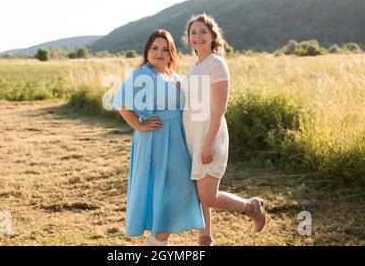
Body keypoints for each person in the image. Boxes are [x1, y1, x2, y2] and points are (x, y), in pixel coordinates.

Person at [111, 29, 204, 246]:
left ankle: (156, 241)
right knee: (168, 188)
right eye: (155, 48)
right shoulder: (144, 74)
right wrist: (139, 125)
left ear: (171, 53)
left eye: (165, 49)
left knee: (176, 189)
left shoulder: (172, 76)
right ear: (147, 50)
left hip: (176, 138)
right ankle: (157, 242)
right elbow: (120, 103)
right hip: (156, 138)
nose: (159, 53)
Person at [181, 13, 266, 246]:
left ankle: (250, 207)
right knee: (198, 193)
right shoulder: (195, 65)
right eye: (193, 33)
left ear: (212, 36)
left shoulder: (216, 63)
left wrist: (208, 142)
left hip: (210, 135)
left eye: (202, 32)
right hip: (193, 136)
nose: (197, 36)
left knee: (206, 195)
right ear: (188, 38)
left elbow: (220, 108)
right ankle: (204, 238)